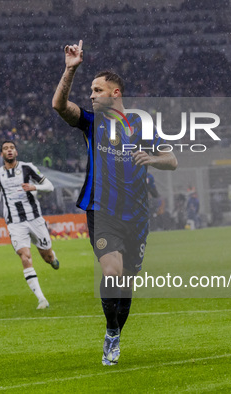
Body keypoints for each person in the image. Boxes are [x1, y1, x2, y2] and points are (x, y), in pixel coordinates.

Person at [52, 40, 177, 366]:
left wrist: (150, 158)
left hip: (136, 215)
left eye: (97, 90)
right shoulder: (93, 123)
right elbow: (59, 106)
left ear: (115, 93)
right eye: (90, 90)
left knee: (126, 283)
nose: (91, 95)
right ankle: (110, 333)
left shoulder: (141, 125)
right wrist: (70, 70)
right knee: (112, 271)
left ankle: (116, 332)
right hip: (101, 210)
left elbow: (172, 160)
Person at [0, 141, 61, 310]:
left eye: (11, 148)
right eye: (5, 149)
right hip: (15, 223)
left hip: (35, 219)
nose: (9, 151)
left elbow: (50, 186)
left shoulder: (28, 168)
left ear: (16, 152)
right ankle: (41, 299)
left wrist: (34, 186)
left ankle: (52, 257)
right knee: (25, 256)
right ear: (1, 154)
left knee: (46, 257)